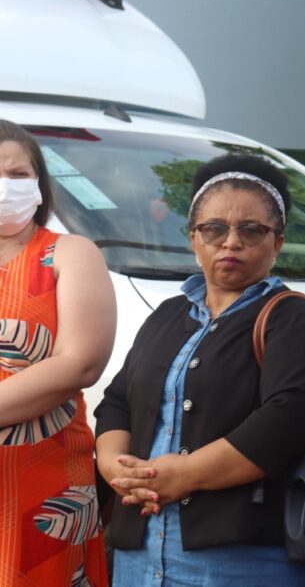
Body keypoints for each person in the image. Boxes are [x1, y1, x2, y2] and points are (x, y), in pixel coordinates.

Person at [93, 153, 305, 586]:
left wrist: (184, 475)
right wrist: (118, 469)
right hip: (141, 554)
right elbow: (117, 402)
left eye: (251, 230)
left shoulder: (293, 319)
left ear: (277, 243)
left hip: (245, 562)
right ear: (194, 238)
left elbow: (288, 419)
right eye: (215, 229)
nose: (231, 242)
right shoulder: (168, 315)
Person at [0, 119, 116, 585]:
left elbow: (80, 362)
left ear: (40, 186)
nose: (4, 186)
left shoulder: (68, 253)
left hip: (42, 494)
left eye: (18, 174)